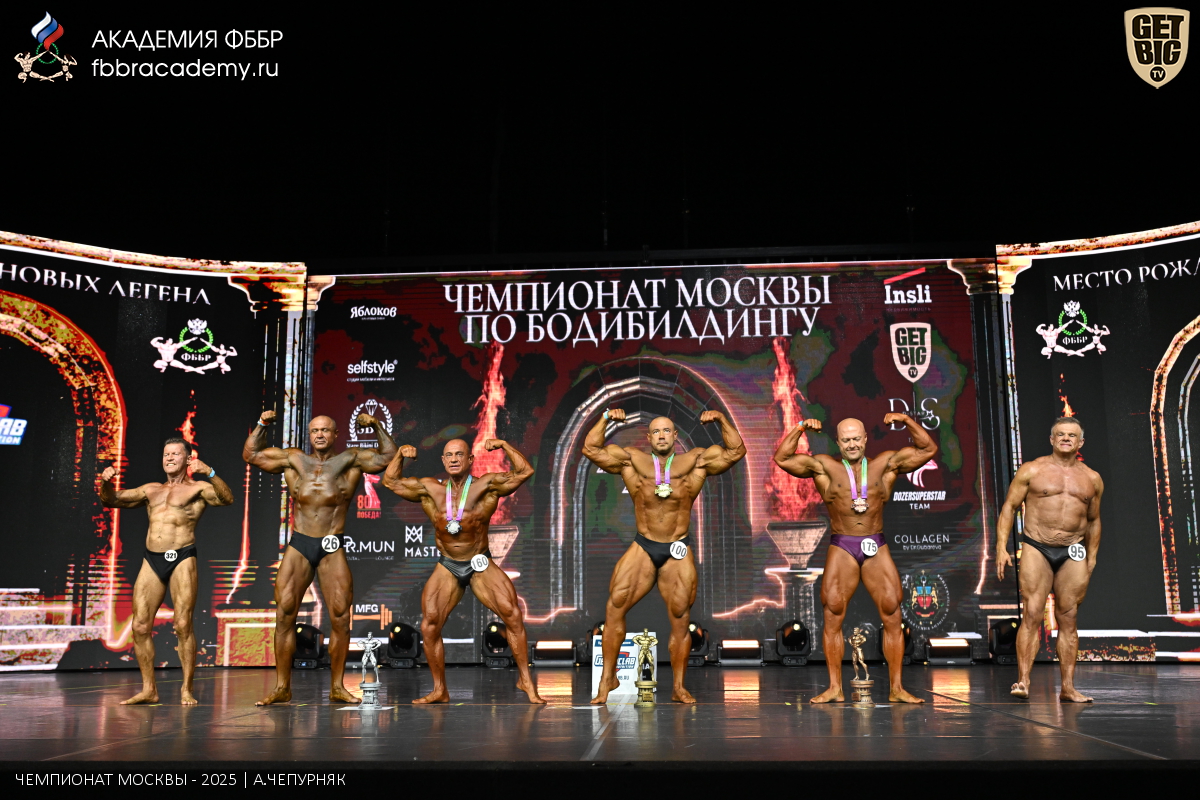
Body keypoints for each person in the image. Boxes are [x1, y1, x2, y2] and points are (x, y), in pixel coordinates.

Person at [583, 409, 746, 704]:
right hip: (644, 545)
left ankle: (679, 687)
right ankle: (608, 679)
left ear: (675, 435)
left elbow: (736, 451)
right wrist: (605, 417)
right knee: (615, 606)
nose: (661, 436)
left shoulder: (695, 460)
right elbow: (591, 449)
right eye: (656, 431)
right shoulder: (632, 460)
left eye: (666, 431)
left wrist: (722, 420)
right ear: (648, 437)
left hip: (676, 548)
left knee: (681, 617)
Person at [773, 413, 935, 704]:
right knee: (833, 612)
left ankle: (897, 688)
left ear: (865, 439)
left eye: (856, 439)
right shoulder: (825, 466)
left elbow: (927, 449)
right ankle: (835, 688)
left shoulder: (885, 464)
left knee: (892, 611)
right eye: (846, 440)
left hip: (875, 542)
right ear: (838, 442)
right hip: (843, 544)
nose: (852, 444)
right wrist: (800, 427)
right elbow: (783, 458)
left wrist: (906, 420)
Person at [244, 410, 397, 705]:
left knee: (340, 617)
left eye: (326, 430)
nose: (320, 435)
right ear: (309, 435)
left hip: (331, 543)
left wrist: (376, 425)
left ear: (336, 434)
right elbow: (251, 455)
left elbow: (389, 457)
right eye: (315, 431)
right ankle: (282, 687)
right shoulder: (294, 459)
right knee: (284, 613)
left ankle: (337, 686)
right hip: (300, 542)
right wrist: (261, 424)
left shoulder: (351, 460)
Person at [381, 438, 544, 704]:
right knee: (429, 625)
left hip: (479, 561)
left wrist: (504, 445)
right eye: (449, 455)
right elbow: (391, 482)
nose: (454, 459)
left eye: (459, 454)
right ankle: (439, 689)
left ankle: (525, 679)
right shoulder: (430, 489)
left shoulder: (486, 485)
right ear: (443, 461)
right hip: (448, 563)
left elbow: (525, 471)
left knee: (512, 615)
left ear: (470, 460)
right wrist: (400, 454)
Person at [98, 437, 232, 704]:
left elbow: (226, 499)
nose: (169, 458)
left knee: (182, 624)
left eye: (175, 454)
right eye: (166, 454)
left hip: (182, 556)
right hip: (152, 558)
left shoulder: (198, 488)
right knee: (140, 625)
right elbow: (111, 500)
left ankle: (186, 689)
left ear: (188, 459)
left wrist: (211, 472)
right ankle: (149, 690)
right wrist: (105, 482)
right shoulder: (151, 490)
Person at [996, 416, 1102, 703]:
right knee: (1032, 613)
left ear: (1081, 442)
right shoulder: (1032, 470)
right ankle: (1023, 680)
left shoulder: (1092, 478)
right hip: (1036, 546)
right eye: (1061, 434)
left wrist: (1092, 557)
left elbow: (1094, 520)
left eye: (1072, 435)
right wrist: (1001, 547)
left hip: (1073, 550)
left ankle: (1068, 688)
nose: (1066, 439)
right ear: (1052, 439)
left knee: (1069, 618)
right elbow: (1009, 507)